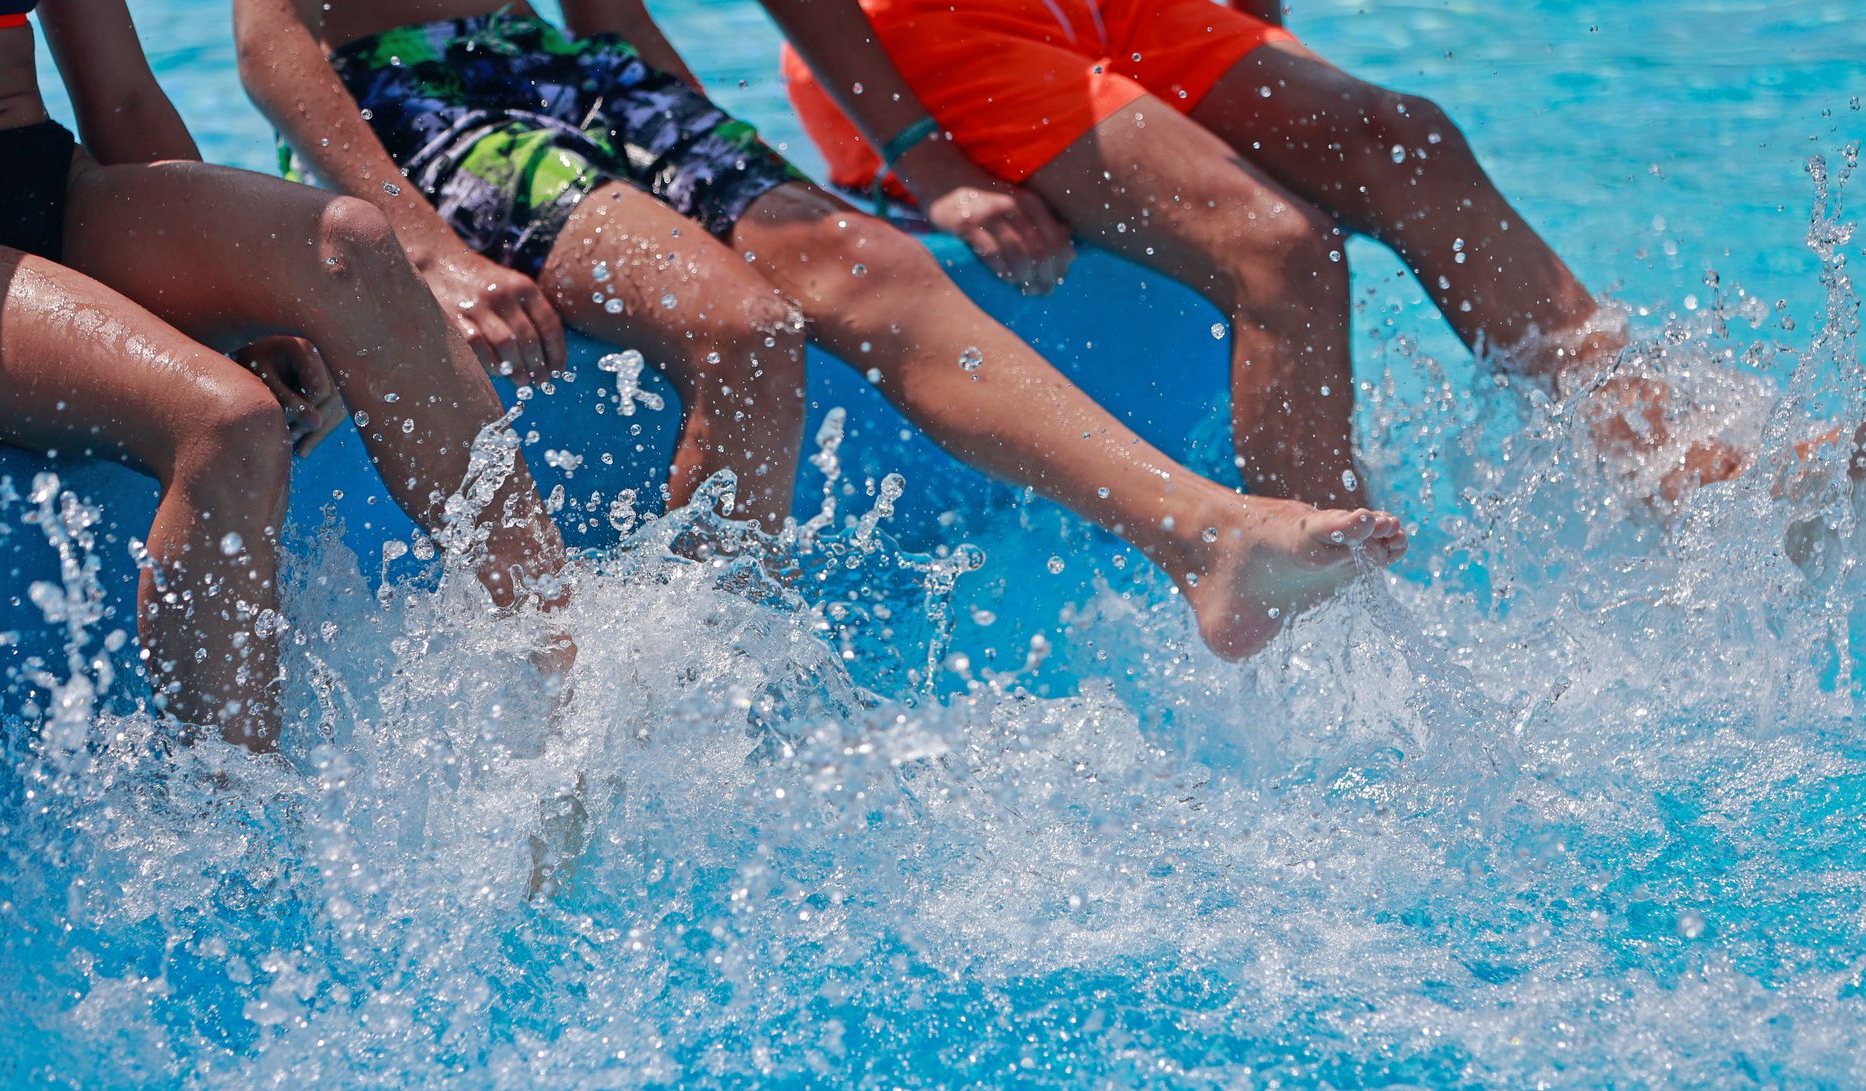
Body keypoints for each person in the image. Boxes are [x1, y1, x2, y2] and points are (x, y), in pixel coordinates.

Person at [233, 0, 1408, 662]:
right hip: (411, 102)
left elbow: (602, 9)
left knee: (870, 266)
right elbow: (268, 42)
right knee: (746, 329)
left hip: (571, 73)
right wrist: (423, 248)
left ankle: (1200, 536)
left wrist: (699, 143)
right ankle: (686, 698)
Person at [0, 0, 570, 751]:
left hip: (41, 175)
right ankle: (226, 808)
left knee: (352, 247)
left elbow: (121, 95)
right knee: (226, 424)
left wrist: (247, 302)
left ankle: (564, 677)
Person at [780, 0, 1749, 505]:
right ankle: (1326, 625)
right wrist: (926, 156)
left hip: (1108, 12)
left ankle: (1682, 467)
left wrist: (1256, 46)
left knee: (1404, 142)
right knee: (1280, 248)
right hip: (913, 33)